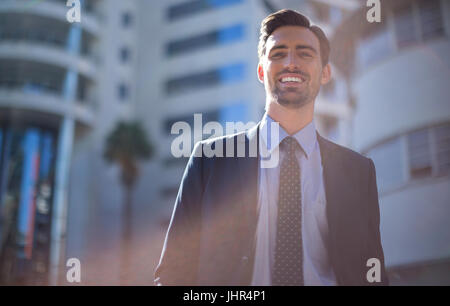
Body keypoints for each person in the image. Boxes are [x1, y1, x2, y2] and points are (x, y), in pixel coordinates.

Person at [154, 9, 388, 286]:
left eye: (305, 53)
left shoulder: (358, 172)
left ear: (325, 73)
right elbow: (173, 274)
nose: (291, 63)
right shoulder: (210, 160)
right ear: (261, 71)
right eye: (278, 53)